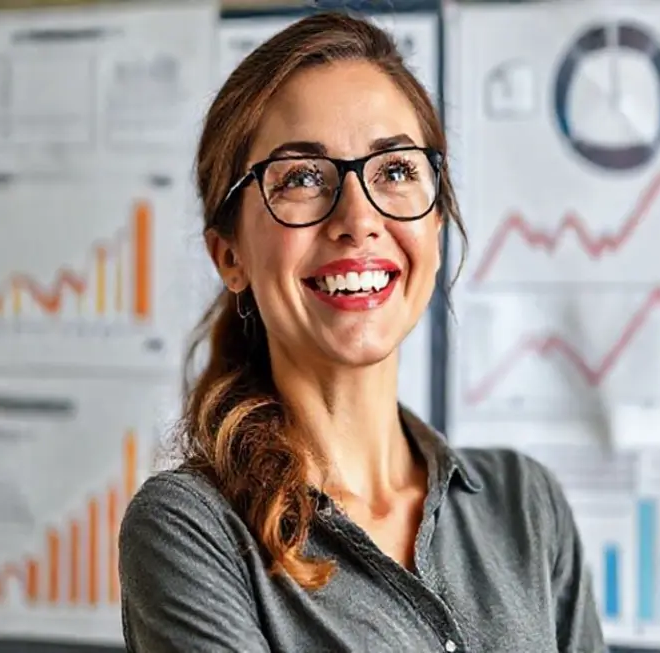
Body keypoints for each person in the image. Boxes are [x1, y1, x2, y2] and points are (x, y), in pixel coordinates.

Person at [118, 10, 604, 653]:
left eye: (395, 171)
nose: (357, 218)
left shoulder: (525, 505)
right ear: (230, 257)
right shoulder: (192, 531)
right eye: (301, 178)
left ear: (435, 225)